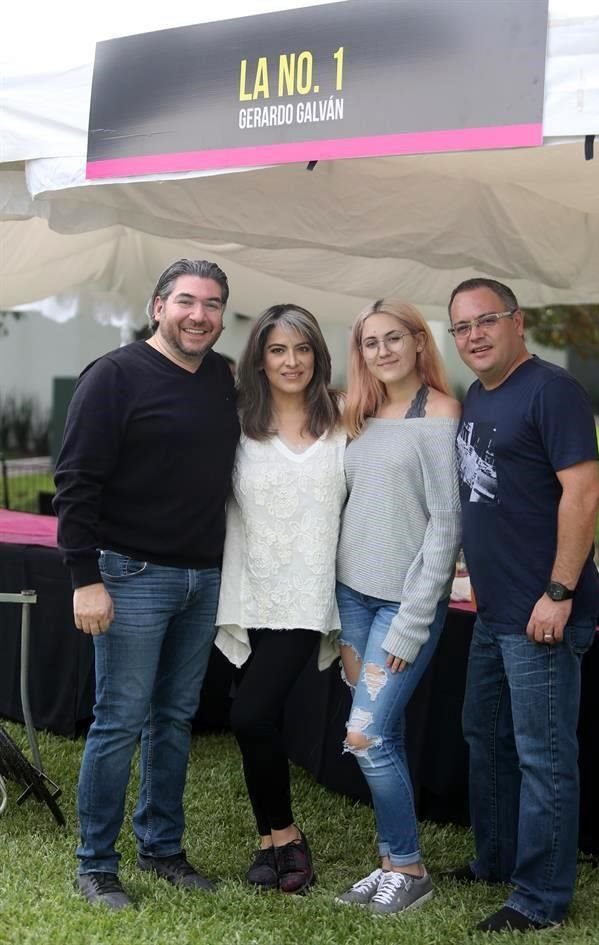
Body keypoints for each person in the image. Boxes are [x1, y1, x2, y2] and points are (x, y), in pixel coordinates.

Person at [53, 259, 240, 910]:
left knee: (175, 719)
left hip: (204, 576)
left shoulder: (224, 378)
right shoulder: (114, 375)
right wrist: (85, 578)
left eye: (212, 304)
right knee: (120, 720)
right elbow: (75, 481)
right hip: (130, 573)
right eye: (186, 300)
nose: (199, 314)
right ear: (158, 306)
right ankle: (97, 864)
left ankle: (162, 848)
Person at [447, 277, 599, 934]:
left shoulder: (553, 390)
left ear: (519, 321)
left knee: (541, 753)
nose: (474, 335)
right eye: (461, 327)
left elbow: (585, 493)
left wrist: (559, 592)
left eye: (487, 320)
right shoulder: (478, 395)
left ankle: (539, 897)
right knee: (484, 736)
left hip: (543, 610)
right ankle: (497, 859)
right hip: (494, 609)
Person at [334, 299, 461, 915]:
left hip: (401, 607)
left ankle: (409, 868)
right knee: (385, 733)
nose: (381, 351)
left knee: (365, 736)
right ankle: (389, 862)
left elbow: (447, 525)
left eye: (393, 338)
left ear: (417, 342)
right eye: (368, 342)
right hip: (352, 600)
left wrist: (412, 623)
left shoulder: (440, 413)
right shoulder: (358, 415)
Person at [215, 304, 346, 894]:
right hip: (250, 591)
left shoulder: (346, 418)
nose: (291, 361)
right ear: (260, 359)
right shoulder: (236, 421)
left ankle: (287, 836)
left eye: (302, 350)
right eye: (277, 350)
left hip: (310, 594)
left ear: (317, 357)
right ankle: (270, 843)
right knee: (255, 715)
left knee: (249, 713)